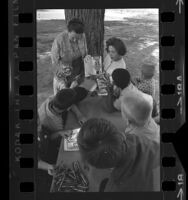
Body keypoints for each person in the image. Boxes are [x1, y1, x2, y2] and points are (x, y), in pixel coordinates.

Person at [77, 118, 160, 192]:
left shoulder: (114, 188)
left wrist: (86, 158)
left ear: (106, 168)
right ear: (121, 135)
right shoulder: (135, 138)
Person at [51, 18, 88, 94]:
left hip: (77, 77)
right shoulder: (59, 40)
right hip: (62, 77)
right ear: (68, 31)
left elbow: (84, 56)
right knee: (61, 101)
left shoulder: (82, 36)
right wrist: (62, 84)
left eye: (78, 38)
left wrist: (77, 79)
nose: (75, 40)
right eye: (73, 38)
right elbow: (55, 63)